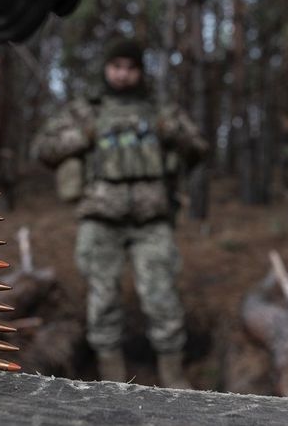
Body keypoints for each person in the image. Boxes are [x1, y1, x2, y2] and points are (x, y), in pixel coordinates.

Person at [32, 39, 207, 388]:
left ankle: (173, 375)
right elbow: (44, 148)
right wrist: (83, 135)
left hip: (152, 220)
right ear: (106, 68)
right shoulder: (87, 111)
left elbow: (199, 148)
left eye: (130, 67)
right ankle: (111, 378)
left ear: (140, 71)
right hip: (100, 219)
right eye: (116, 66)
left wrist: (172, 133)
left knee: (162, 298)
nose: (123, 74)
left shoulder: (160, 111)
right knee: (102, 299)